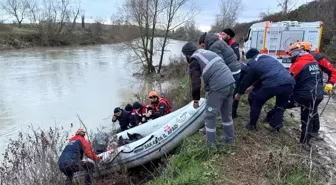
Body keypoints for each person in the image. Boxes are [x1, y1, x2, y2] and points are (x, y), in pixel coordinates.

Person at [181, 42, 236, 146]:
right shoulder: (207, 52)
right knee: (226, 114)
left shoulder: (194, 60)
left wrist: (196, 100)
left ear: (187, 55)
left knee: (210, 115)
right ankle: (229, 140)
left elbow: (195, 83)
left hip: (219, 87)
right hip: (231, 83)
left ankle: (211, 145)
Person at [236, 48, 296, 132]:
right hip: (289, 83)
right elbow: (266, 73)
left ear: (250, 57)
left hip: (273, 83)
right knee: (280, 106)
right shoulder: (268, 58)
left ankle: (251, 125)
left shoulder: (253, 62)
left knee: (255, 100)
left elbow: (246, 80)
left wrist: (239, 93)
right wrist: (253, 86)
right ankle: (276, 127)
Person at [286, 42, 324, 146]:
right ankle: (307, 139)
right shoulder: (315, 63)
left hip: (304, 96)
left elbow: (289, 80)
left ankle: (272, 121)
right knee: (309, 116)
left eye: (292, 55)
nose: (290, 57)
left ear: (297, 53)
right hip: (318, 94)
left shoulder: (298, 64)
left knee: (283, 104)